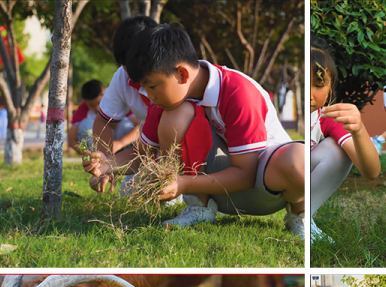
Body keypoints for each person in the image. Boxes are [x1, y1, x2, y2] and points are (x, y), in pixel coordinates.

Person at [123, 23, 307, 237]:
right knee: (176, 115)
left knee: (296, 159)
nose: (147, 94)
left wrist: (182, 183)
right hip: (217, 191)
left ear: (182, 74)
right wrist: (106, 165)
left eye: (151, 86)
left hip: (267, 190)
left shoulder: (239, 92)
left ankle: (300, 214)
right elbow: (141, 155)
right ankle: (199, 208)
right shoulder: (168, 101)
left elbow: (246, 175)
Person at [308, 36, 380, 243]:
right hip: (266, 184)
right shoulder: (274, 111)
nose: (311, 94)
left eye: (318, 85)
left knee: (337, 150)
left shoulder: (326, 118)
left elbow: (372, 172)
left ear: (330, 88)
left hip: (294, 190)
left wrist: (359, 129)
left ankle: (303, 215)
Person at [84, 16, 155, 192]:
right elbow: (103, 123)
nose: (130, 74)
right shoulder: (122, 78)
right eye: (125, 67)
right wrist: (105, 163)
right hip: (149, 152)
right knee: (128, 192)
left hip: (187, 155)